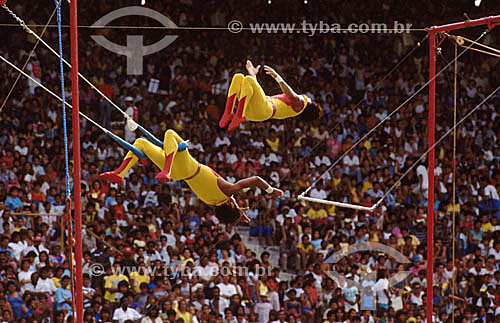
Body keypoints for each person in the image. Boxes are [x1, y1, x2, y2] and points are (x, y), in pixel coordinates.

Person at [99, 129, 283, 224]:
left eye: (235, 204)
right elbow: (227, 205)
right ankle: (120, 173)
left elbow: (256, 180)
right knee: (141, 143)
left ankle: (165, 171)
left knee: (170, 133)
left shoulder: (228, 191)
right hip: (182, 174)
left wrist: (270, 190)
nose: (237, 202)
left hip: (184, 165)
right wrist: (237, 214)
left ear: (230, 203)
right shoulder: (210, 201)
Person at [219, 60, 323, 132]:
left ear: (310, 103)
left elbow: (292, 95)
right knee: (239, 77)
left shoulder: (301, 103)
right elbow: (252, 92)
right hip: (256, 112)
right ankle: (228, 112)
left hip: (265, 110)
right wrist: (253, 74)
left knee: (248, 80)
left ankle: (238, 116)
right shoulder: (296, 109)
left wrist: (277, 76)